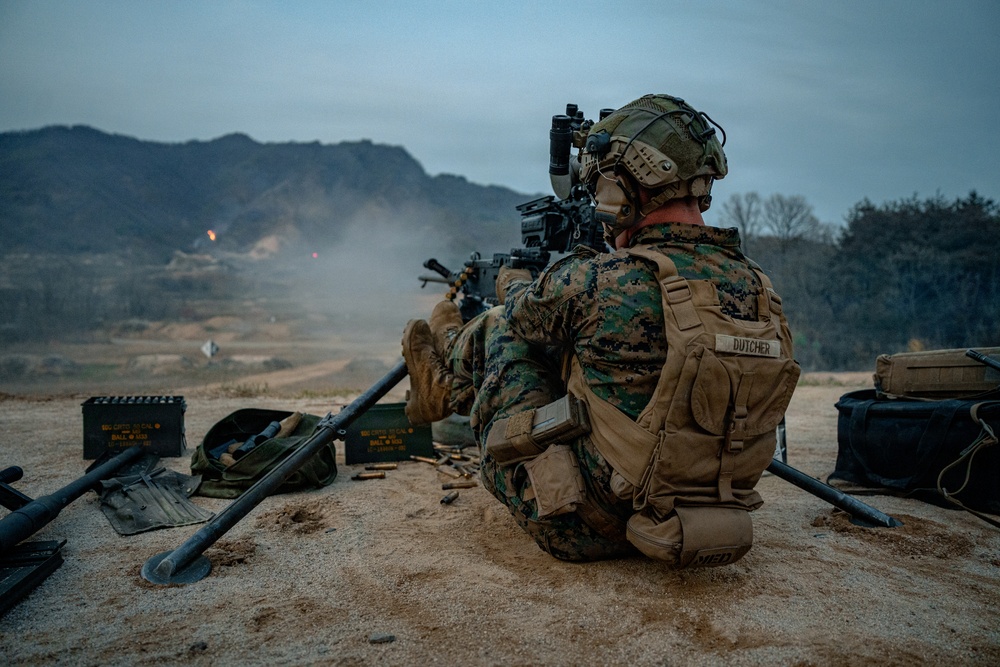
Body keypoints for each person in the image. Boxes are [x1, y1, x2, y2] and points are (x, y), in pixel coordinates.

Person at [402, 94, 800, 567]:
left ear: (626, 186)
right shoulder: (759, 287)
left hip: (584, 528)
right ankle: (443, 381)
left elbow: (523, 314)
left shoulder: (596, 280)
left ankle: (442, 379)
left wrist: (515, 284)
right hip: (705, 511)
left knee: (500, 327)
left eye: (601, 185)